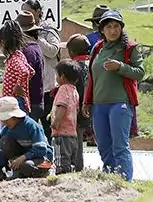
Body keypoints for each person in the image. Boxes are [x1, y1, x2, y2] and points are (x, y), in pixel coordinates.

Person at [83, 9, 145, 182]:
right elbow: (91, 77)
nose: (113, 30)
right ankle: (110, 183)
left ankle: (125, 185)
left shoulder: (129, 48)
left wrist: (121, 67)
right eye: (108, 26)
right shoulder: (97, 48)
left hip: (120, 105)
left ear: (121, 28)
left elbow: (140, 73)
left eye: (116, 26)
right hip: (98, 106)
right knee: (103, 147)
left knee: (120, 147)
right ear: (102, 29)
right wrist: (87, 101)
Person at [22, 0, 61, 141]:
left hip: (48, 84)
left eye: (29, 11)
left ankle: (51, 156)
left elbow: (53, 51)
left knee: (47, 124)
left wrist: (35, 37)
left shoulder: (47, 29)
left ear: (38, 11)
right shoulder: (21, 29)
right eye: (23, 12)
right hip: (29, 86)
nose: (26, 14)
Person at [0, 97, 54, 181]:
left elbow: (41, 149)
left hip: (41, 158)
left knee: (26, 166)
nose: (4, 122)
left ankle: (44, 172)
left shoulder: (31, 126)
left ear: (14, 116)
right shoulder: (6, 130)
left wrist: (23, 158)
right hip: (21, 159)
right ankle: (15, 172)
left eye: (5, 119)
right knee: (5, 141)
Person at [51, 60, 83, 174]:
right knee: (71, 160)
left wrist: (56, 122)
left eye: (56, 75)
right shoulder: (75, 91)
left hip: (61, 133)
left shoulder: (63, 89)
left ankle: (62, 177)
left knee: (61, 161)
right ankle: (70, 177)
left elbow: (62, 106)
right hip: (72, 133)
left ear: (62, 76)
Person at [16, 10, 46, 125]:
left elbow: (26, 73)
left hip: (30, 101)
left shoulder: (27, 50)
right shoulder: (34, 47)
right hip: (36, 100)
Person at [0, 21, 34, 113]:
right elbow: (31, 71)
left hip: (14, 103)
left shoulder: (14, 58)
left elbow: (25, 72)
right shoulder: (19, 55)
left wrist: (18, 86)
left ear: (2, 42)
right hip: (17, 101)